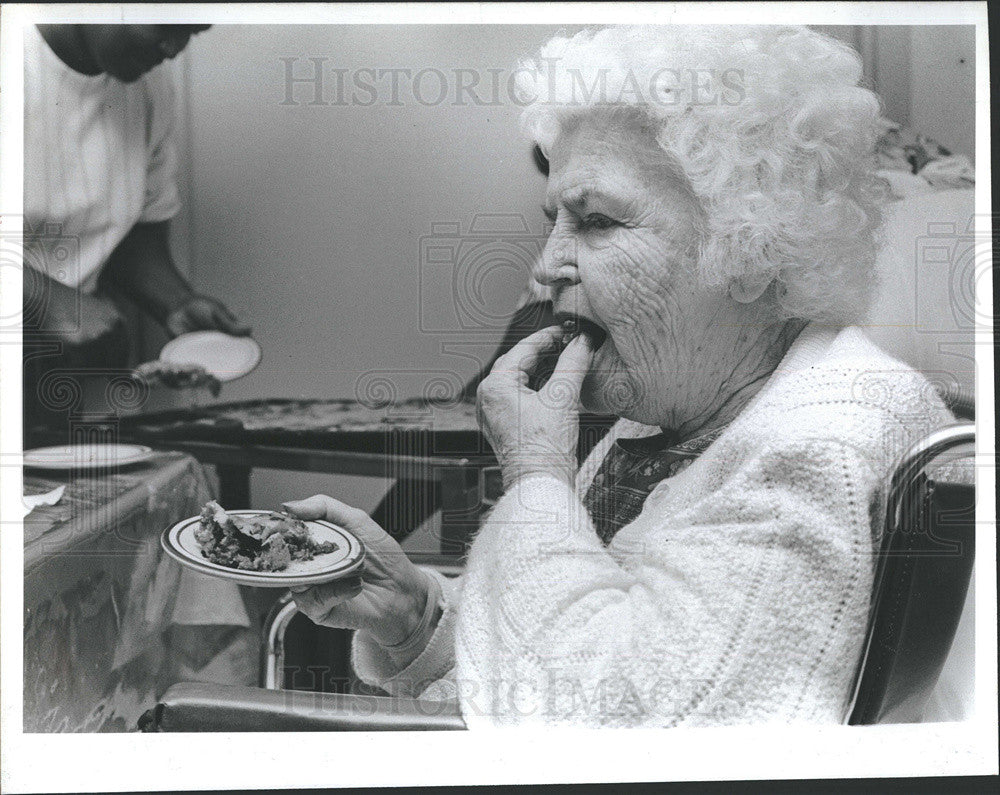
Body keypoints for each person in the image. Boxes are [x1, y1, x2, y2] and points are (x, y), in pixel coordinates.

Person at [285, 25, 956, 726]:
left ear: (754, 248)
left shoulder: (816, 452)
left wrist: (537, 476)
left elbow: (612, 728)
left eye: (596, 221)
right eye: (554, 221)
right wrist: (415, 617)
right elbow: (558, 661)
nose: (543, 269)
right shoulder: (666, 419)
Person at [23, 24, 248, 432]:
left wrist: (176, 300)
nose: (173, 49)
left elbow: (131, 232)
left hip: (48, 373)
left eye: (191, 33)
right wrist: (46, 300)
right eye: (165, 25)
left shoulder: (148, 89)